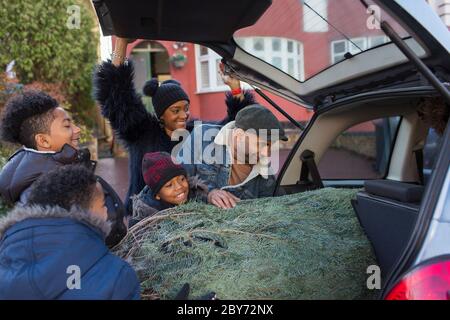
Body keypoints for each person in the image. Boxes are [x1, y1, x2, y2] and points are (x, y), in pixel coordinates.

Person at [93, 37, 257, 215]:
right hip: (148, 216)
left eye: (186, 108)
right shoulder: (141, 132)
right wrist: (122, 42)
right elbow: (115, 93)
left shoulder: (195, 132)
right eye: (175, 110)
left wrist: (235, 88)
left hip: (189, 215)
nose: (183, 114)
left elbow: (232, 127)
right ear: (161, 114)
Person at [0, 90, 126, 246]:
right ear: (43, 141)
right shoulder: (43, 192)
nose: (77, 129)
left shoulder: (56, 172)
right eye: (67, 125)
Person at [0, 165, 140, 300]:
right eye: (103, 205)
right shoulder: (118, 276)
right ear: (86, 213)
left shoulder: (6, 259)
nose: (106, 211)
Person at [177, 104, 288, 209]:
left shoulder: (266, 175)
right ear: (239, 136)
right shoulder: (201, 137)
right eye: (262, 144)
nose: (266, 153)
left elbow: (275, 211)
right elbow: (174, 182)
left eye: (270, 146)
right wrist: (209, 194)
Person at [130, 152, 209, 226]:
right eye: (169, 185)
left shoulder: (197, 197)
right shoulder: (145, 222)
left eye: (182, 179)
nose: (179, 187)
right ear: (157, 195)